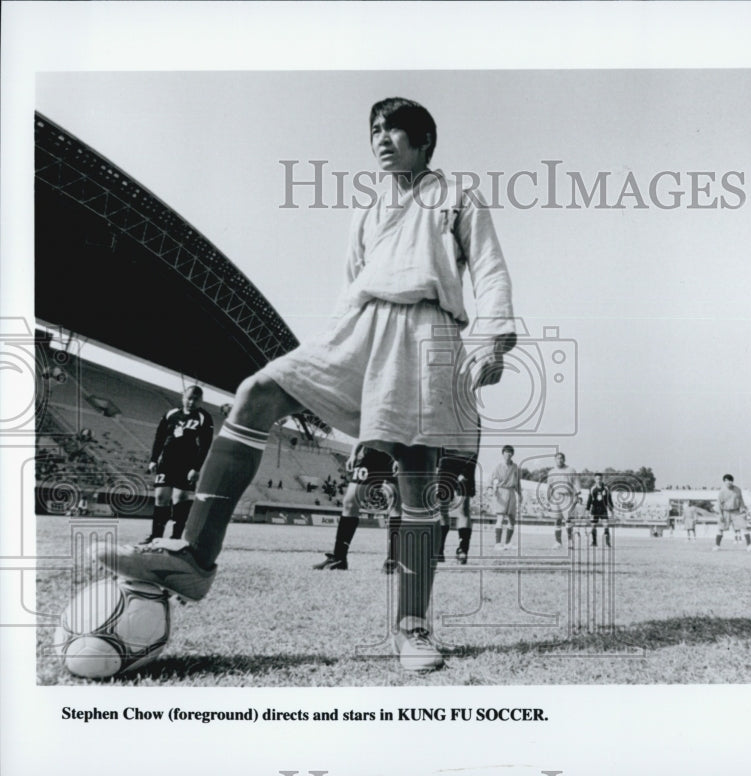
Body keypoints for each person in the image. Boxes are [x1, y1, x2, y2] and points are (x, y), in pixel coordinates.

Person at [94, 97, 517, 671]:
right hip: (359, 326)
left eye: (394, 131)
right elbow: (351, 280)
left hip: (428, 333)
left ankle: (413, 626)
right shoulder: (367, 208)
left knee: (418, 480)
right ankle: (194, 557)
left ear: (423, 143)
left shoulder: (456, 196)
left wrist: (493, 338)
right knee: (255, 392)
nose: (381, 139)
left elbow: (489, 268)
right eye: (375, 130)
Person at [140, 385, 214, 543]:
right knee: (161, 496)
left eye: (195, 399)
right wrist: (154, 459)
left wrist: (196, 468)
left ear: (201, 401)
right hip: (167, 461)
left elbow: (205, 445)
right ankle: (156, 536)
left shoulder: (204, 417)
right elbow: (159, 438)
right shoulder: (170, 414)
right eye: (189, 398)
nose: (191, 402)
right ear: (183, 397)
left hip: (187, 463)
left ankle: (176, 537)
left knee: (180, 498)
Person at [312, 443, 400, 572]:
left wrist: (399, 457)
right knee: (349, 503)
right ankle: (339, 558)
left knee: (396, 506)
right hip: (372, 454)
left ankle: (393, 560)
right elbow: (363, 431)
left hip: (397, 451)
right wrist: (354, 453)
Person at [437, 450, 478, 564]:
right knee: (442, 507)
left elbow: (474, 446)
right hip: (446, 463)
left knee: (463, 508)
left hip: (464, 462)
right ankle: (440, 549)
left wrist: (465, 470)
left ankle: (462, 549)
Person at [545, 452, 581, 548]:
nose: (559, 460)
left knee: (568, 520)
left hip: (567, 496)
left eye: (561, 458)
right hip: (556, 497)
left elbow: (576, 483)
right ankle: (558, 542)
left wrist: (576, 496)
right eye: (557, 458)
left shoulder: (571, 470)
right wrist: (548, 500)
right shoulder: (551, 472)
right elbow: (549, 487)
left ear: (564, 459)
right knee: (557, 520)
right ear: (555, 460)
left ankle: (570, 541)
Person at [490, 445, 521, 550]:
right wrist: (494, 487)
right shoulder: (498, 466)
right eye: (506, 452)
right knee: (500, 517)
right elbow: (494, 478)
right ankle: (497, 544)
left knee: (512, 519)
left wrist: (520, 494)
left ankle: (508, 543)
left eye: (510, 452)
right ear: (503, 454)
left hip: (512, 492)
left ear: (512, 454)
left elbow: (518, 482)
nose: (508, 454)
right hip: (501, 491)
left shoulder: (515, 467)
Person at [715, 474, 751, 551]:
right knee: (720, 528)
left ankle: (749, 546)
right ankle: (717, 546)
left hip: (736, 511)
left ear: (732, 481)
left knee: (744, 527)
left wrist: (743, 510)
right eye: (727, 481)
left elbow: (741, 500)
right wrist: (720, 514)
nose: (729, 482)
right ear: (724, 482)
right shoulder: (722, 491)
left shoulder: (738, 490)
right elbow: (719, 504)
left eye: (730, 480)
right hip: (725, 512)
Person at [586, 473, 614, 547]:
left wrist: (612, 509)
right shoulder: (592, 488)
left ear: (602, 479)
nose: (599, 480)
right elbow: (589, 500)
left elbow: (609, 499)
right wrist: (587, 509)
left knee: (606, 525)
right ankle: (594, 542)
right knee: (593, 526)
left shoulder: (606, 488)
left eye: (600, 479)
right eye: (597, 479)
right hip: (594, 509)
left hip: (603, 509)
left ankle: (608, 542)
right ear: (595, 479)